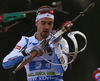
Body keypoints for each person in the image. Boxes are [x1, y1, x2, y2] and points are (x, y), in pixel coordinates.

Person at [2, 5, 73, 81]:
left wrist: (56, 46)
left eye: (50, 23)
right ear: (36, 23)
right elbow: (5, 64)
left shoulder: (61, 41)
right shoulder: (26, 41)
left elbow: (62, 69)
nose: (47, 27)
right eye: (43, 23)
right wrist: (26, 52)